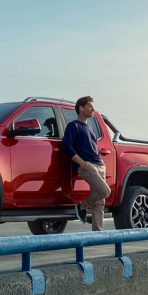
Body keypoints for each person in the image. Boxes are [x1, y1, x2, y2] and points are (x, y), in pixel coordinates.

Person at [62, 96, 111, 231]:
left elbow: (93, 148)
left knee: (100, 203)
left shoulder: (91, 129)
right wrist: (82, 164)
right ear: (81, 108)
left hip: (100, 165)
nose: (93, 109)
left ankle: (98, 234)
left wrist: (101, 164)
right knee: (104, 190)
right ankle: (83, 205)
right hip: (87, 166)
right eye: (90, 106)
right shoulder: (73, 126)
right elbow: (66, 146)